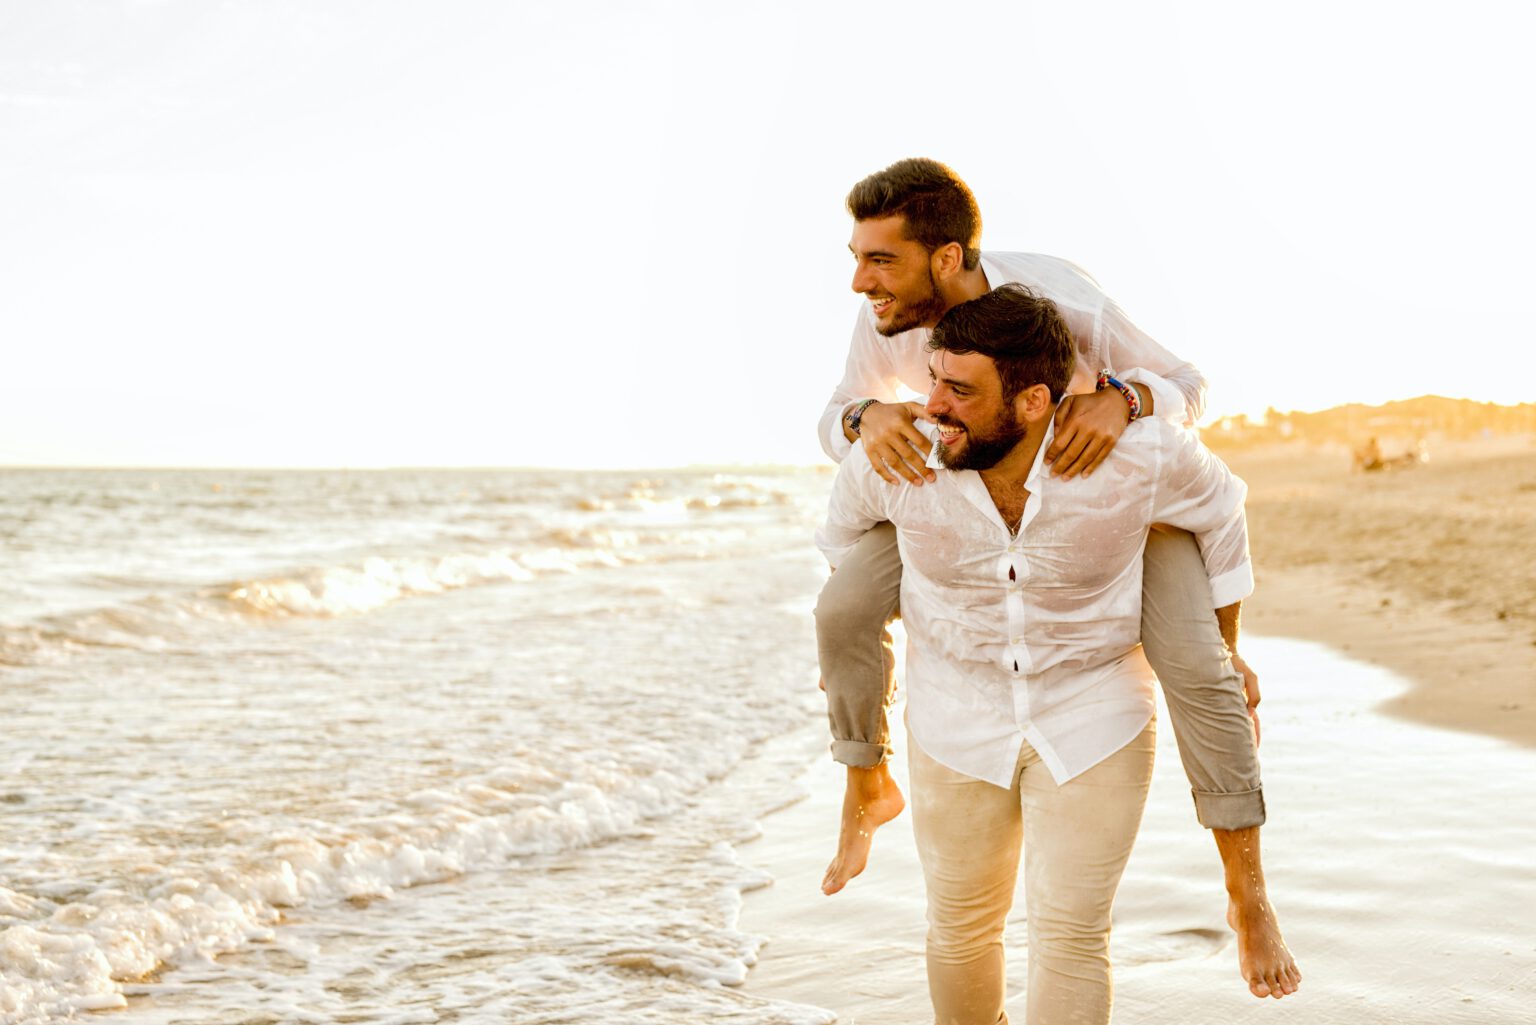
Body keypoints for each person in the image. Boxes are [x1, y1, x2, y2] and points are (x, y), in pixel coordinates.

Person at [814, 158, 1298, 1000]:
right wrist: (868, 419)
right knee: (844, 603)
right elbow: (835, 428)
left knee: (1201, 672)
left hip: (1104, 499)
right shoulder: (888, 324)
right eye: (857, 257)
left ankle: (1248, 897)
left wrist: (1128, 402)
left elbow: (1190, 391)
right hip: (964, 494)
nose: (860, 281)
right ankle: (865, 780)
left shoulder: (1066, 303)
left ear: (948, 256)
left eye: (880, 259)